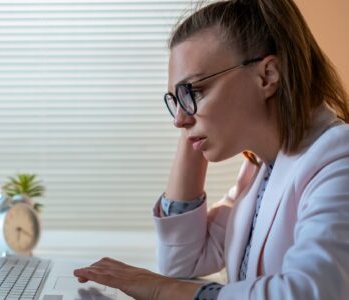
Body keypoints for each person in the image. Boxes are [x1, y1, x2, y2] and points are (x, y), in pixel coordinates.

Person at [73, 0, 349, 299]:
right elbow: (182, 261)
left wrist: (157, 288)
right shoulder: (258, 170)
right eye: (175, 99)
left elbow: (314, 290)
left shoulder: (337, 159)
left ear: (268, 75)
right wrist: (194, 118)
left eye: (194, 90)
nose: (178, 120)